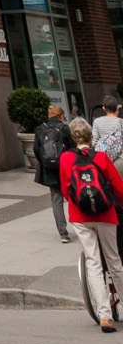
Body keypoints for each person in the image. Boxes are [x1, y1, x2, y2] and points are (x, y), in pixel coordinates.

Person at [59, 119, 123, 330]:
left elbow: (66, 189)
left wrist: (78, 205)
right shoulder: (101, 157)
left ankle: (104, 316)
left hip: (80, 216)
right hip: (106, 215)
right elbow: (118, 187)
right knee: (114, 261)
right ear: (91, 137)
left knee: (93, 263)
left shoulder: (66, 158)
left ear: (73, 137)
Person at [32, 101, 77, 243]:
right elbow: (73, 147)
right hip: (65, 167)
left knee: (56, 200)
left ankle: (63, 233)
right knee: (74, 197)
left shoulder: (41, 128)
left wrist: (44, 162)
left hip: (49, 170)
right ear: (61, 115)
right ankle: (80, 227)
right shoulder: (64, 128)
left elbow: (35, 149)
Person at [93, 98, 123, 169]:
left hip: (104, 160)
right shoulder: (121, 122)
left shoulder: (97, 122)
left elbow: (94, 142)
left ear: (104, 108)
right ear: (117, 108)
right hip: (120, 160)